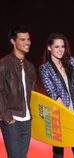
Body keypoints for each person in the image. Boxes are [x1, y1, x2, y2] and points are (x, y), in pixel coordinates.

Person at [39, 33, 74, 158]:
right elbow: (52, 93)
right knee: (58, 152)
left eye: (62, 47)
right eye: (57, 46)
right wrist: (67, 116)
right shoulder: (45, 69)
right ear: (49, 48)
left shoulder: (71, 62)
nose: (60, 50)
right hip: (58, 113)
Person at [0, 25, 37, 158]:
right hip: (12, 119)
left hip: (27, 120)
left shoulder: (30, 67)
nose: (27, 43)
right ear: (13, 41)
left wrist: (34, 116)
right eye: (23, 39)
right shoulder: (3, 64)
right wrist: (7, 117)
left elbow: (34, 94)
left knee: (22, 155)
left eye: (28, 39)